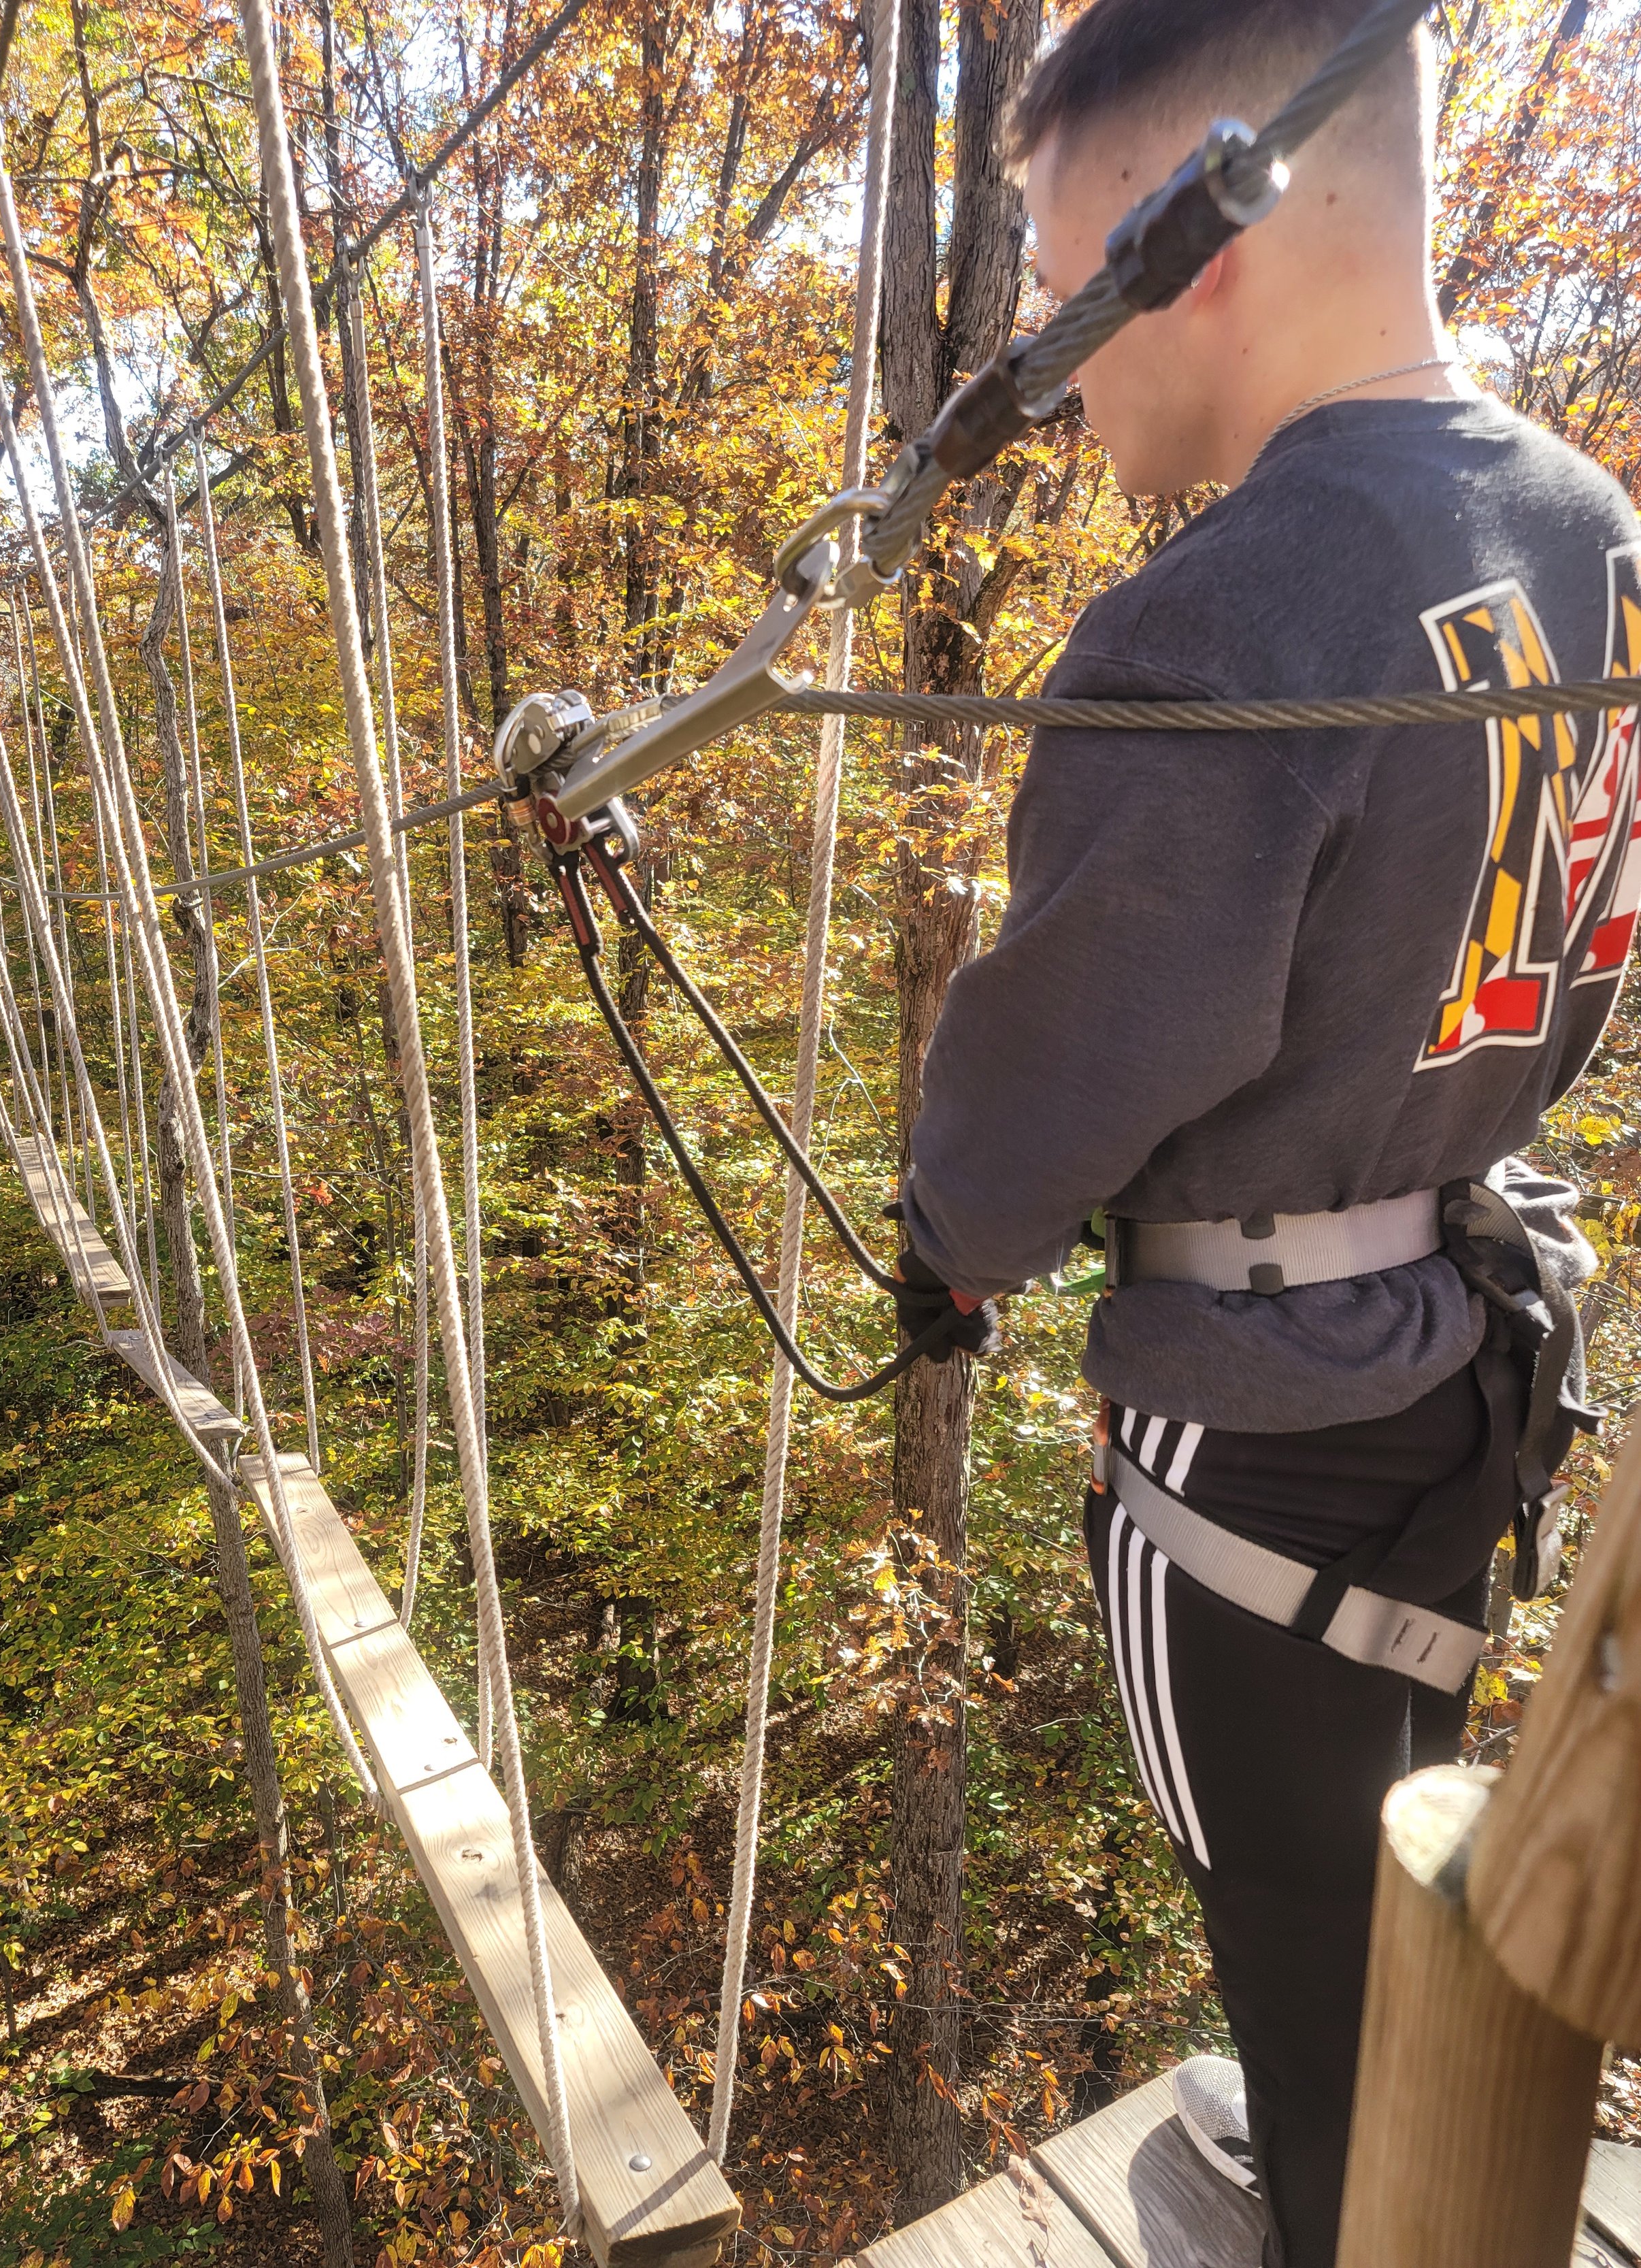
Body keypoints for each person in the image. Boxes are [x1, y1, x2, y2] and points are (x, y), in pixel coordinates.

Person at [889, 2, 1641, 2262]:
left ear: (1181, 236)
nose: (1041, 352)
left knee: (1293, 1932)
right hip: (1464, 1354)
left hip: (1259, 1421)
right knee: (1396, 1831)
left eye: (1049, 281)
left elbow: (1064, 1068)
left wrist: (945, 1239)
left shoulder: (1218, 616)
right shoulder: (1580, 524)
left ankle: (1347, 2194)